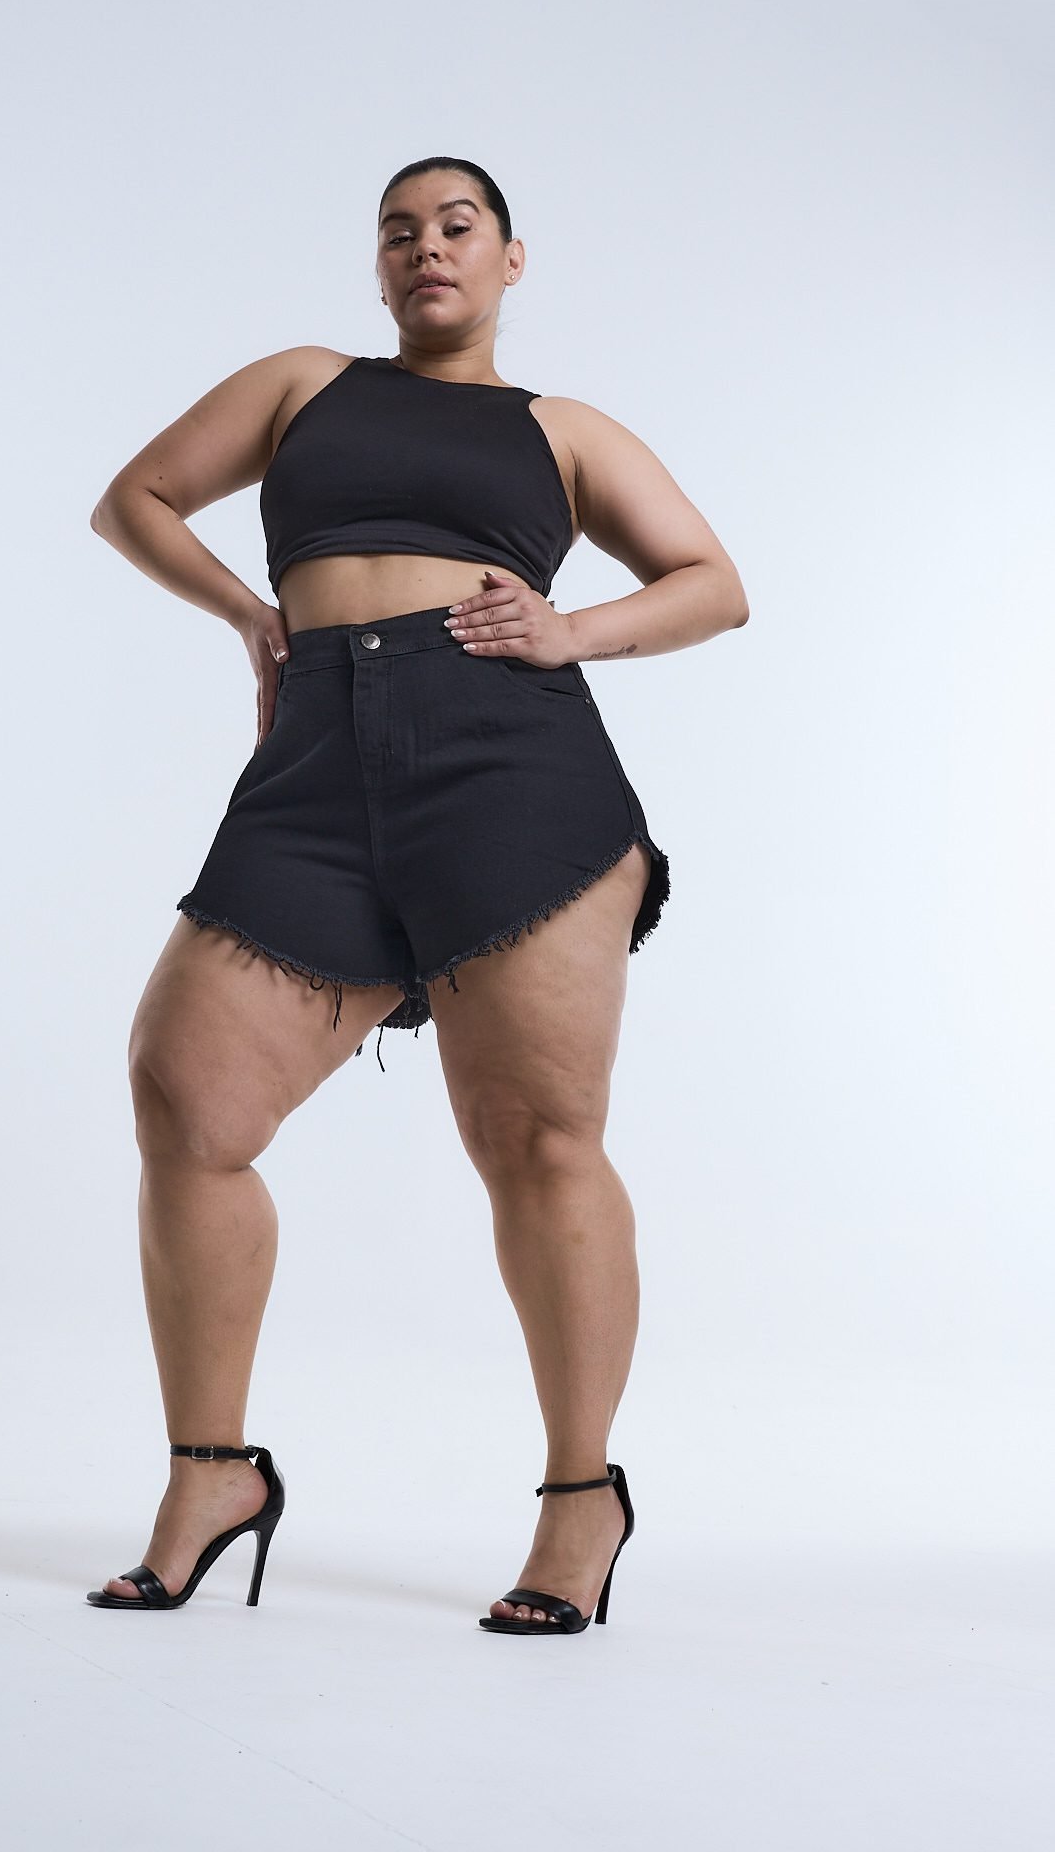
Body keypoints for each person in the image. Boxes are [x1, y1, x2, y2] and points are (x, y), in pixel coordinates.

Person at [84, 156, 749, 1634]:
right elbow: (136, 499)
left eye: (457, 226)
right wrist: (252, 618)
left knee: (536, 1140)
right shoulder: (302, 386)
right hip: (317, 768)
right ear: (376, 268)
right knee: (185, 1098)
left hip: (510, 769)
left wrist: (573, 629)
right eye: (399, 232)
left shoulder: (560, 431)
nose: (425, 247)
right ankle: (212, 1474)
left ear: (511, 259)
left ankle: (581, 1497)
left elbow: (713, 581)